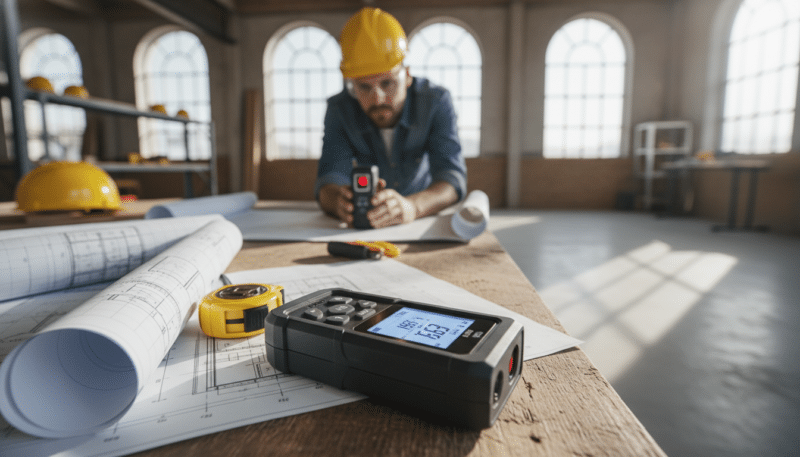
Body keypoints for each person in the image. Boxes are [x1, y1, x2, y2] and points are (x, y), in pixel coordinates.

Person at [315, 7, 467, 229]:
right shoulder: (339, 109)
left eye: (387, 83)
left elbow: (452, 179)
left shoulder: (435, 101)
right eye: (364, 87)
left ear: (406, 76)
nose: (377, 99)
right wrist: (338, 201)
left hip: (419, 219)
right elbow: (329, 178)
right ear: (352, 84)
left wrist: (413, 207)